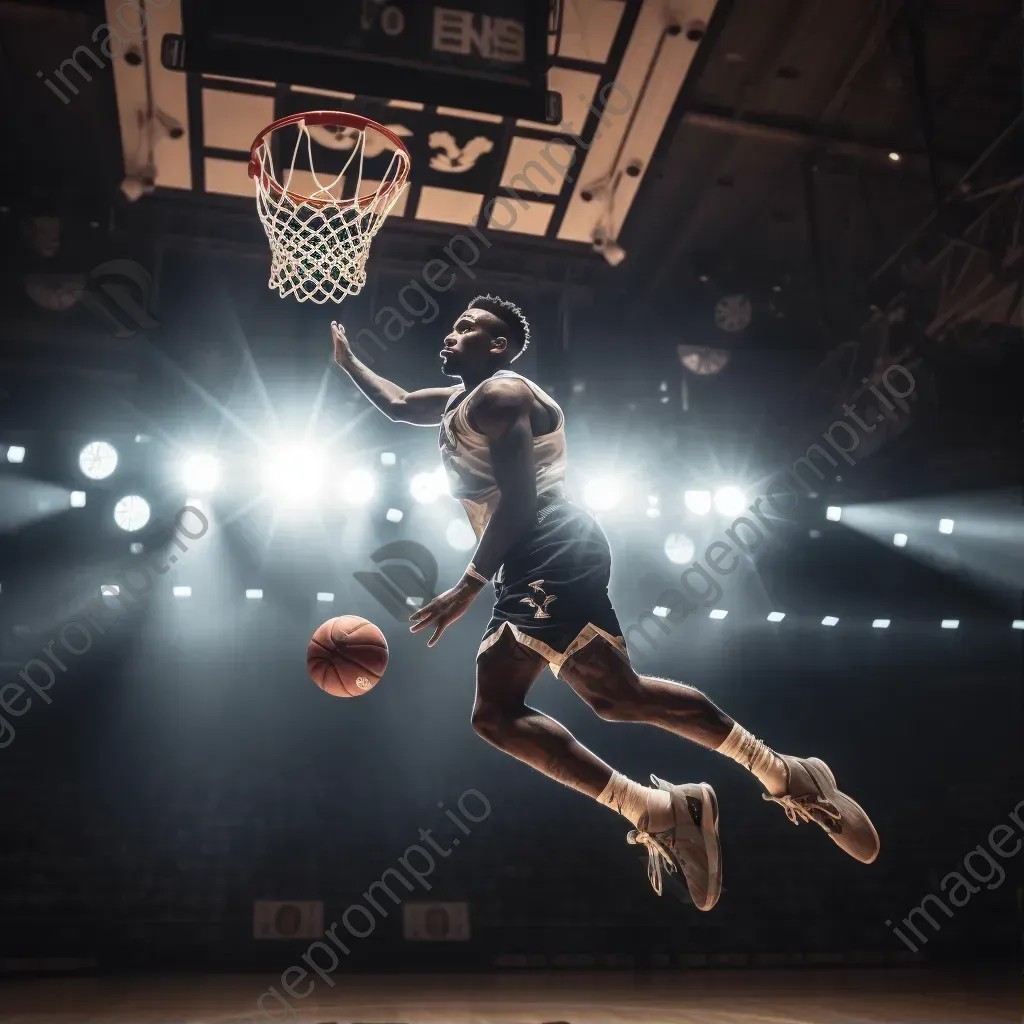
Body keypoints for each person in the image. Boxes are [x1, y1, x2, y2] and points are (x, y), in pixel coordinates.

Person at [331, 296, 879, 910]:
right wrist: (350, 362)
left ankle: (697, 797)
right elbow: (400, 403)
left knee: (518, 708)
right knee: (597, 700)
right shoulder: (462, 402)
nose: (451, 333)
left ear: (499, 348)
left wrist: (468, 585)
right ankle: (751, 781)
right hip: (535, 555)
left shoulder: (503, 395)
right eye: (455, 325)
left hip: (546, 542)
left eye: (469, 328)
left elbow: (517, 499)